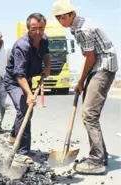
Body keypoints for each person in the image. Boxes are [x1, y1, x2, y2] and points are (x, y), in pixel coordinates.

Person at [52, 0, 118, 174]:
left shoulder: (81, 29)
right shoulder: (78, 25)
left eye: (62, 17)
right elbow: (88, 56)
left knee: (89, 114)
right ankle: (100, 154)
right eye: (58, 18)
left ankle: (96, 161)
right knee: (89, 111)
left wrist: (80, 81)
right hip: (99, 65)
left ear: (71, 14)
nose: (60, 21)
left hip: (103, 67)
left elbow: (89, 58)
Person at [4, 13, 51, 164]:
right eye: (34, 29)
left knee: (23, 110)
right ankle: (22, 152)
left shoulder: (43, 39)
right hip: (14, 82)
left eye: (41, 28)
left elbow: (45, 53)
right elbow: (19, 75)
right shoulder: (21, 46)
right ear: (28, 28)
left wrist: (48, 67)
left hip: (27, 79)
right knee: (25, 109)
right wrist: (30, 95)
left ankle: (13, 135)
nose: (38, 32)